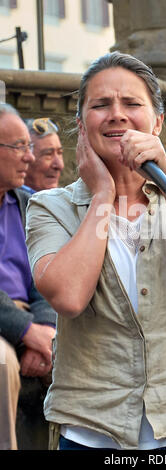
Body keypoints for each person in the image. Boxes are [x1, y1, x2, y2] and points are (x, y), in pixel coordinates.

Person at [25, 52, 166, 451]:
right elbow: (69, 298)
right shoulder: (48, 206)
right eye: (101, 105)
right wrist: (103, 196)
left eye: (132, 104)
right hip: (94, 429)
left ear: (157, 122)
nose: (117, 115)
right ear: (80, 124)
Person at [0, 103, 57, 450]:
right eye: (19, 146)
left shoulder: (28, 203)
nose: (29, 158)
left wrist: (45, 329)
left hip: (31, 319)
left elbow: (45, 276)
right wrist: (24, 331)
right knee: (1, 363)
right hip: (7, 323)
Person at [22, 117, 64, 194]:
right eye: (48, 154)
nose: (59, 165)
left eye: (60, 153)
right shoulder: (8, 203)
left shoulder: (65, 203)